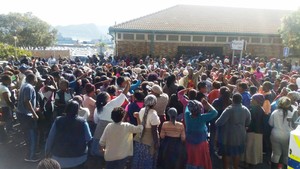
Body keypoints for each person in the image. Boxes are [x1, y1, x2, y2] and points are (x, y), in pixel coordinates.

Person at [45, 101, 92, 169]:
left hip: (58, 158)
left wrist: (47, 152)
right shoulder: (82, 122)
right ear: (77, 110)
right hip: (79, 158)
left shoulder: (58, 121)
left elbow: (50, 138)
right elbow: (89, 138)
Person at [91, 79, 130, 157]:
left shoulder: (98, 108)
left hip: (99, 131)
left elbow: (95, 121)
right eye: (109, 97)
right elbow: (123, 94)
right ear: (106, 99)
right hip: (110, 130)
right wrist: (128, 84)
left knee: (98, 149)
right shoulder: (110, 105)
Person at [215, 93, 251, 169]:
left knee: (227, 153)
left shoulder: (229, 109)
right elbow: (248, 122)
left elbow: (219, 122)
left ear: (232, 100)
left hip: (228, 136)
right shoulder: (245, 109)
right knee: (237, 153)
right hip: (240, 135)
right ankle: (235, 167)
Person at [185, 99, 217, 169]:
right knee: (201, 161)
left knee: (191, 160)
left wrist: (191, 103)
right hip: (201, 144)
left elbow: (187, 106)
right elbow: (215, 112)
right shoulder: (202, 117)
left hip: (190, 143)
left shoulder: (187, 116)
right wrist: (207, 104)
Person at [132, 94, 160, 169]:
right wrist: (156, 142)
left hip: (139, 139)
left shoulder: (141, 110)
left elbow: (140, 124)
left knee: (138, 160)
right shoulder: (153, 114)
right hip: (149, 142)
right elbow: (154, 131)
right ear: (154, 103)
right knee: (147, 162)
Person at [16, 73, 40, 162]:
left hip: (22, 113)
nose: (37, 80)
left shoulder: (24, 85)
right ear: (33, 79)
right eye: (36, 79)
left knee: (28, 135)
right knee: (31, 135)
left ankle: (31, 152)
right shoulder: (29, 87)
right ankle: (30, 156)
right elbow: (27, 101)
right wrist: (34, 113)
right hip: (26, 115)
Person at [269, 97, 295, 169]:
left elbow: (270, 123)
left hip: (275, 134)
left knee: (275, 154)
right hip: (287, 136)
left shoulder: (275, 112)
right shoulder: (292, 113)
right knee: (286, 155)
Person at [243, 94, 265, 166]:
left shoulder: (252, 109)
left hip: (251, 131)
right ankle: (253, 162)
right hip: (259, 131)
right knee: (255, 149)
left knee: (249, 148)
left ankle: (248, 162)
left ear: (256, 101)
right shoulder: (261, 109)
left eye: (252, 99)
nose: (250, 100)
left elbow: (250, 121)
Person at [0, 74, 14, 143]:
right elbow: (8, 100)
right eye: (10, 80)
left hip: (2, 107)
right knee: (4, 122)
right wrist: (13, 107)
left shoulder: (1, 85)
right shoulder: (4, 89)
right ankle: (3, 138)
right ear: (6, 80)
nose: (11, 81)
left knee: (2, 123)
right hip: (4, 108)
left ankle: (3, 137)